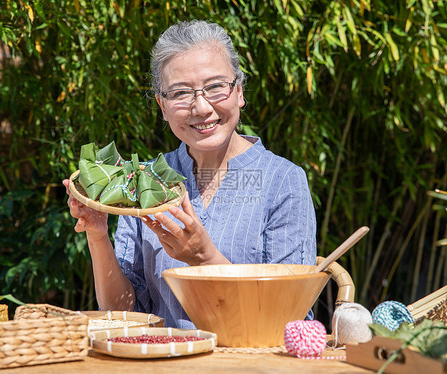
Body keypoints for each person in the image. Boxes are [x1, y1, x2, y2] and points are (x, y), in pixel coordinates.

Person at [63, 20, 317, 328]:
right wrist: (97, 234)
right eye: (181, 93)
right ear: (162, 105)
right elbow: (124, 312)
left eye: (215, 87)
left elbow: (288, 317)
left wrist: (204, 258)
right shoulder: (143, 182)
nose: (201, 107)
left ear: (238, 92)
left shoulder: (282, 181)